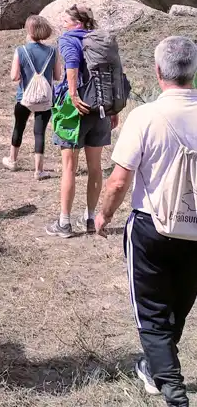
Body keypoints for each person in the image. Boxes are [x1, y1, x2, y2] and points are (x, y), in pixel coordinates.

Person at [96, 37, 197, 407]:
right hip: (195, 230)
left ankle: (173, 392)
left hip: (151, 227)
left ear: (158, 72)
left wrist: (103, 214)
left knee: (152, 314)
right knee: (177, 307)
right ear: (193, 71)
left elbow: (120, 179)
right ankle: (156, 370)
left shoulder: (145, 117)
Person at [46, 4, 116, 239]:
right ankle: (90, 218)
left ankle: (64, 223)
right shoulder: (101, 40)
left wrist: (73, 95)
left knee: (69, 167)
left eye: (65, 20)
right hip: (102, 109)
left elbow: (72, 69)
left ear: (77, 23)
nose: (63, 24)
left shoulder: (69, 39)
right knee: (95, 168)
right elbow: (114, 71)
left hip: (75, 110)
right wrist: (114, 108)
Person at [3, 15, 61, 180]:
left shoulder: (21, 50)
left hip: (24, 98)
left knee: (18, 127)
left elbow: (14, 76)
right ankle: (39, 170)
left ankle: (12, 160)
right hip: (45, 99)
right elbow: (57, 76)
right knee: (39, 133)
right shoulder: (52, 51)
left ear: (29, 31)